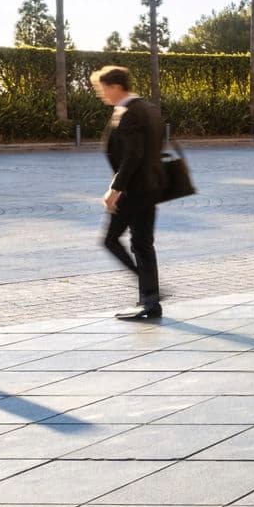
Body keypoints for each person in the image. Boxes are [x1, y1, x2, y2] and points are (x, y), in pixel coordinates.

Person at [93, 65, 167, 321]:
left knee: (111, 240)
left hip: (134, 189)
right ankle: (150, 300)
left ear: (115, 87)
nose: (101, 94)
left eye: (103, 89)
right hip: (150, 187)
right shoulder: (148, 108)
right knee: (143, 243)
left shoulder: (129, 112)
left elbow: (133, 155)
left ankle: (150, 293)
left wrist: (115, 189)